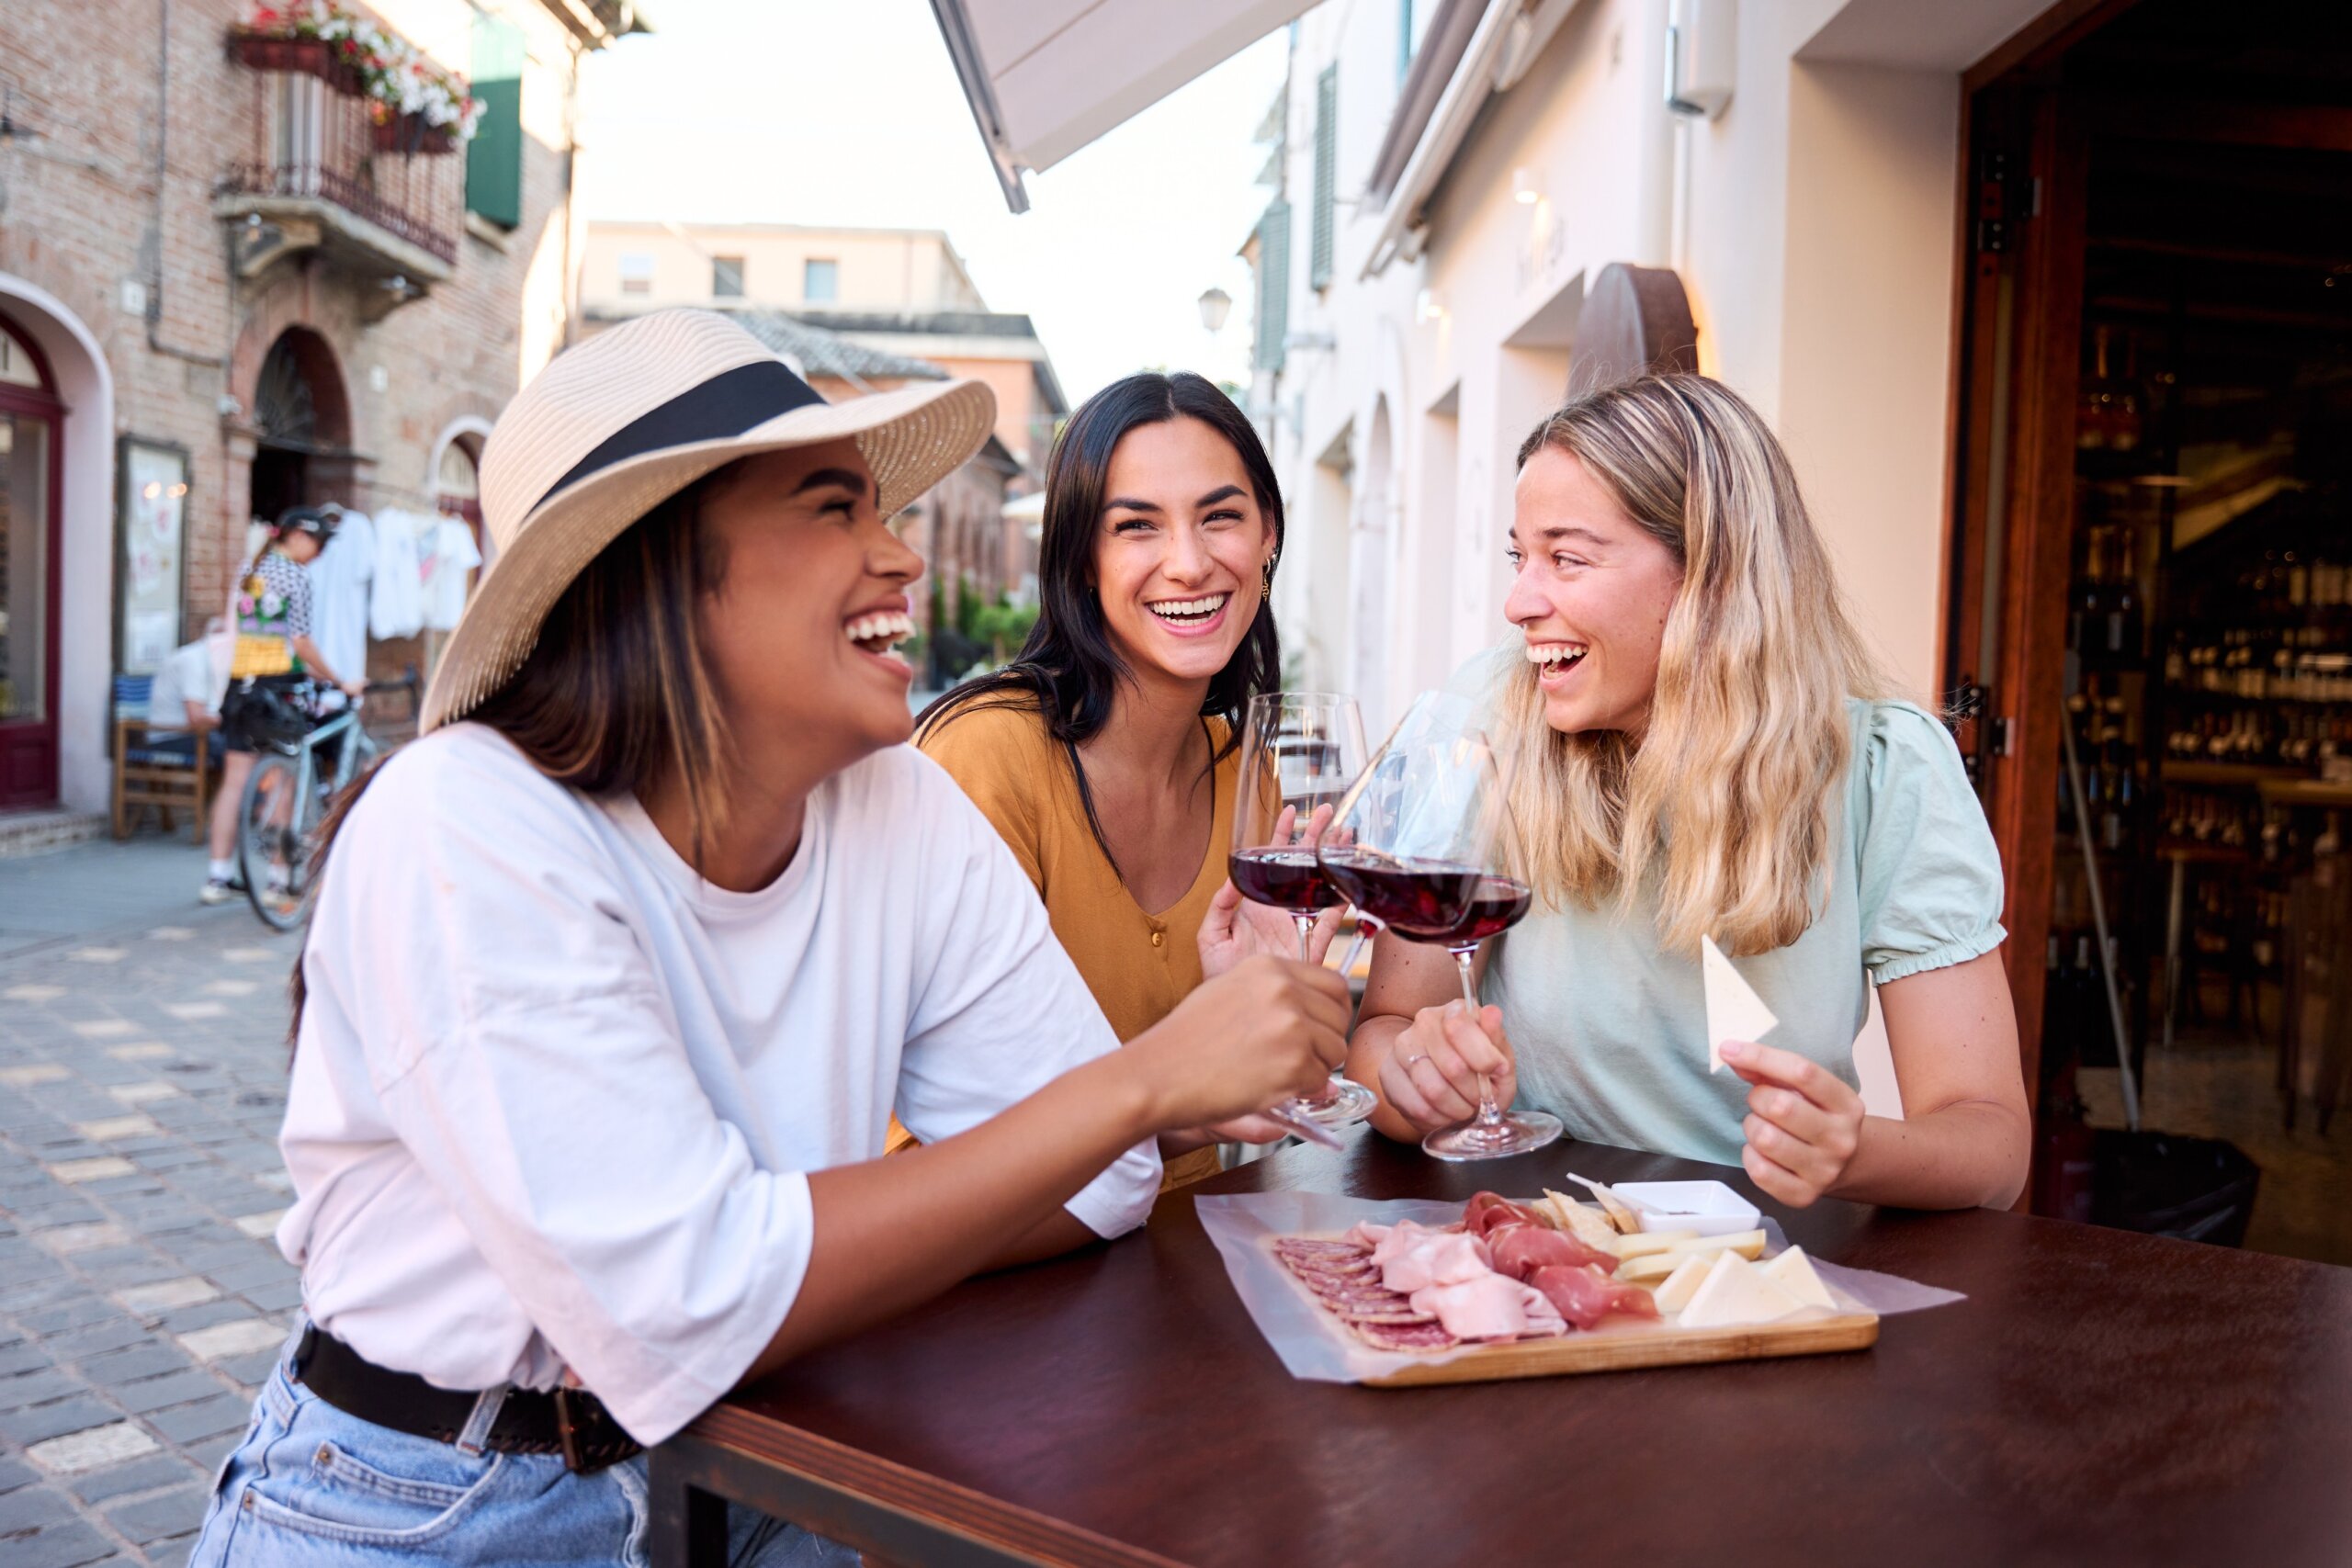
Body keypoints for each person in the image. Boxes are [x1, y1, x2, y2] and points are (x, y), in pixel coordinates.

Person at [187, 310, 1348, 1567]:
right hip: (444, 1493)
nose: (901, 557)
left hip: (777, 1446)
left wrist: (1100, 1121)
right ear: (660, 560)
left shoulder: (895, 803)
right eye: (832, 509)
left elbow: (1103, 1176)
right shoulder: (464, 820)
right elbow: (693, 1301)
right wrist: (1148, 1078)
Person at [1346, 374, 2030, 1212]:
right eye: (1521, 557)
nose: (1519, 600)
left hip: (1758, 1269)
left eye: (1566, 558)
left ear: (1708, 576)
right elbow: (1381, 1039)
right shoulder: (1491, 718)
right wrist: (1413, 1080)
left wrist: (1852, 1152)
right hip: (1530, 1247)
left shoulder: (1888, 770)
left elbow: (1991, 1143)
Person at [915, 372, 1332, 1186]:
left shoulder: (1243, 771)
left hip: (1193, 1278)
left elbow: (1265, 1091)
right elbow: (941, 1151)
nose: (1188, 562)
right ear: (1081, 560)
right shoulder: (986, 758)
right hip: (1010, 1298)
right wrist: (1182, 1101)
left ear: (1269, 534)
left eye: (1221, 516)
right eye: (1137, 526)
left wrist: (1279, 1019)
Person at [201, 507, 367, 904]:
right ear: (296, 536)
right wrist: (338, 678)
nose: (321, 553)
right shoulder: (296, 575)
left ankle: (217, 876)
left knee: (235, 781)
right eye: (320, 543)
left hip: (241, 686)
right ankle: (278, 878)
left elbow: (240, 630)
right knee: (284, 782)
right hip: (278, 690)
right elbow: (302, 643)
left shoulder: (248, 568)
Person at [145, 618, 228, 735]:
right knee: (241, 746)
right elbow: (196, 717)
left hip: (190, 735)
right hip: (172, 737)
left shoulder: (208, 660)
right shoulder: (195, 660)